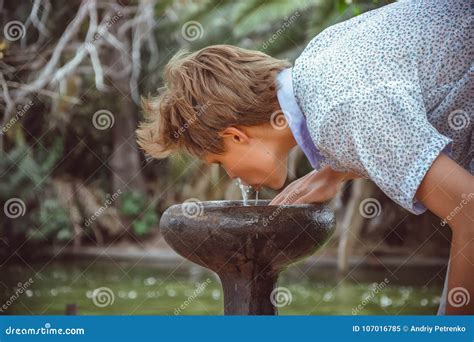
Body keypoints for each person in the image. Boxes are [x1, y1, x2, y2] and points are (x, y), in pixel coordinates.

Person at [137, 0, 473, 314]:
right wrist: (337, 171)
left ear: (235, 136)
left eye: (220, 162)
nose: (231, 175)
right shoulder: (319, 59)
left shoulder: (338, 111)